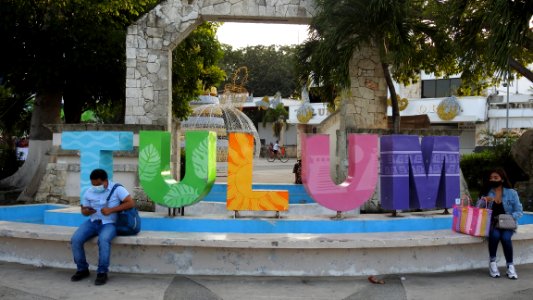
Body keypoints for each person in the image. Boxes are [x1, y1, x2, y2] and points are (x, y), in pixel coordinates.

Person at [70, 169, 135, 285]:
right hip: (93, 222)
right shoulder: (89, 191)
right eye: (93, 184)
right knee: (75, 239)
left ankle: (102, 272)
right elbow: (83, 211)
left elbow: (130, 203)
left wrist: (111, 210)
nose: (95, 187)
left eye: (98, 184)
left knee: (103, 240)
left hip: (109, 223)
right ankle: (82, 269)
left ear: (105, 181)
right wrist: (86, 211)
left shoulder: (117, 189)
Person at [477, 168, 523, 279]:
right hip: (492, 223)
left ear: (502, 179)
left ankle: (510, 266)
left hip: (507, 223)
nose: (493, 179)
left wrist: (509, 218)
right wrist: (484, 201)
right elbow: (477, 209)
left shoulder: (512, 193)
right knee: (495, 235)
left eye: (496, 177)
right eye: (491, 178)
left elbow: (519, 210)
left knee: (506, 238)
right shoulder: (486, 192)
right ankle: (492, 263)